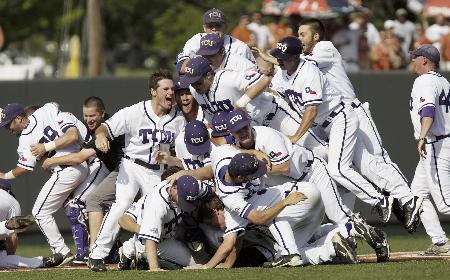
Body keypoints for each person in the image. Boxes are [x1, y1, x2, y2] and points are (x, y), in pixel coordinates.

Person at [295, 19, 423, 230]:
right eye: (298, 34)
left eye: (303, 34)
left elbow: (300, 64)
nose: (299, 38)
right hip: (339, 118)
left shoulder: (324, 48)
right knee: (364, 165)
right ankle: (397, 199)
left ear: (316, 36)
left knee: (378, 159)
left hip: (353, 110)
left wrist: (278, 56)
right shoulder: (306, 59)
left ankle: (407, 198)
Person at [225, 109, 390, 262]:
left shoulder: (266, 135)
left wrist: (254, 168)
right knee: (302, 230)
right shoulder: (234, 150)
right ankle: (336, 245)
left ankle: (375, 239)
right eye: (238, 130)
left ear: (249, 124)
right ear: (232, 132)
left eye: (244, 127)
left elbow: (284, 167)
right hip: (293, 186)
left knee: (338, 217)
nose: (243, 131)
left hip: (312, 172)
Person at [268, 36, 392, 223]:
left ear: (296, 56)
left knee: (338, 169)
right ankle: (348, 213)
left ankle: (380, 199)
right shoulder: (282, 73)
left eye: (283, 57)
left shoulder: (308, 71)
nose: (279, 59)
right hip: (324, 126)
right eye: (278, 56)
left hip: (340, 118)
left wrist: (295, 137)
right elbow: (273, 90)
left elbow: (311, 111)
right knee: (331, 166)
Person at [88, 70, 185, 272]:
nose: (170, 92)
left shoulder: (178, 120)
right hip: (132, 165)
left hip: (158, 172)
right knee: (122, 204)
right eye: (165, 89)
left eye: (172, 88)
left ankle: (130, 250)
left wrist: (171, 159)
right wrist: (100, 136)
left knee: (157, 216)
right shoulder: (135, 111)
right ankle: (97, 255)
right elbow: (104, 127)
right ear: (153, 92)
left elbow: (185, 156)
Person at [179, 56, 329, 159]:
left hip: (273, 115)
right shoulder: (195, 91)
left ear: (209, 76)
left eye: (197, 82)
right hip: (252, 129)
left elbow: (264, 80)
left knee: (315, 148)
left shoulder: (227, 79)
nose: (194, 86)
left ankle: (339, 168)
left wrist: (241, 102)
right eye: (191, 83)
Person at [0, 102, 88, 264]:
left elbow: (24, 168)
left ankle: (61, 251)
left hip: (66, 171)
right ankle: (87, 251)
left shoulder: (25, 139)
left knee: (40, 213)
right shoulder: (45, 110)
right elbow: (54, 104)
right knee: (78, 207)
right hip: (81, 163)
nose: (7, 129)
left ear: (19, 118)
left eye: (8, 124)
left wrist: (5, 175)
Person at [41, 96, 125, 263]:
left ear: (102, 114)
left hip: (122, 171)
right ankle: (109, 250)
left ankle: (88, 252)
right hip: (111, 170)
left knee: (77, 204)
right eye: (85, 116)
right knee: (81, 204)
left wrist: (51, 160)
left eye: (92, 115)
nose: (88, 120)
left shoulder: (105, 129)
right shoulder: (92, 128)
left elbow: (80, 157)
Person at [408, 44, 450, 255]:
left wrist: (423, 136)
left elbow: (429, 109)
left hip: (436, 143)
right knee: (417, 194)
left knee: (444, 204)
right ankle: (441, 243)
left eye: (415, 58)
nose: (412, 61)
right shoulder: (443, 81)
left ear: (425, 60)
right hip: (443, 141)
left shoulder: (424, 80)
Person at [0, 179, 64, 269]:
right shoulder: (12, 201)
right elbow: (12, 237)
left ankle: (5, 227)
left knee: (1, 259)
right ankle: (42, 261)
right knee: (3, 259)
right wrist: (11, 256)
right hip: (8, 211)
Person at [176, 8, 255, 74]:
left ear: (225, 26)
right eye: (210, 26)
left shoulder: (240, 47)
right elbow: (181, 66)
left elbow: (253, 72)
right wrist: (205, 71)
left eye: (218, 25)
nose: (214, 29)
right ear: (204, 28)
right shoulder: (195, 41)